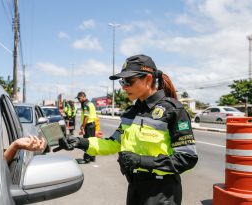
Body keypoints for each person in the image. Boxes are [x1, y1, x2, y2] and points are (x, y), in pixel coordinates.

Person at [56, 54, 198, 205]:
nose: (124, 86)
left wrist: (141, 161)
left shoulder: (173, 110)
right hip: (135, 187)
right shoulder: (131, 113)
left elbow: (187, 158)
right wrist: (79, 142)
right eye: (122, 81)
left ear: (148, 79)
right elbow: (113, 143)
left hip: (161, 192)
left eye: (129, 81)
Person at [76, 91, 97, 164]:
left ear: (84, 97)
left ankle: (86, 159)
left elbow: (86, 116)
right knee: (92, 142)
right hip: (92, 125)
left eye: (79, 98)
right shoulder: (90, 103)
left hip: (88, 126)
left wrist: (83, 126)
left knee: (87, 142)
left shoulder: (85, 104)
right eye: (78, 99)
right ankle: (92, 157)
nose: (78, 100)